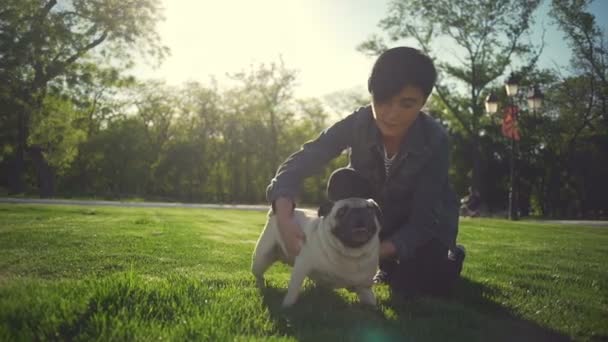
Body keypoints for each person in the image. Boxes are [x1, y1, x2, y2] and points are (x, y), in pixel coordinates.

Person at [266, 46, 465, 298]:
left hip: (426, 227)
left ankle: (451, 256)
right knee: (344, 180)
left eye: (407, 104)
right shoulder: (357, 123)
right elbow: (304, 159)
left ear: (423, 102)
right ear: (371, 92)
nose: (392, 114)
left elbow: (423, 221)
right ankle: (386, 262)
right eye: (383, 100)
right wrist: (283, 215)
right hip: (379, 219)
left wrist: (366, 253)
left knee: (417, 285)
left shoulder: (436, 140)